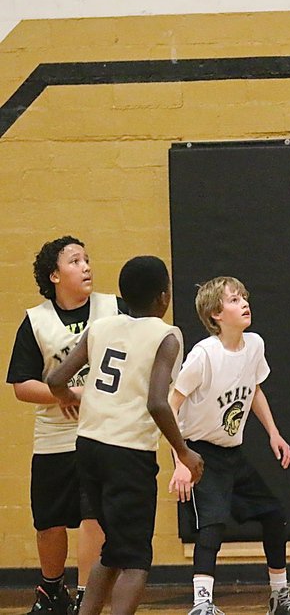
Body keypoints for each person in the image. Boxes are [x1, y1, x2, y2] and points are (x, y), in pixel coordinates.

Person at [46, 255, 204, 615]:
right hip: (128, 453)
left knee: (115, 549)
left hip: (88, 447)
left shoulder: (101, 327)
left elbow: (56, 380)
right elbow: (158, 404)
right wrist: (184, 452)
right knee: (135, 559)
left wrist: (69, 399)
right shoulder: (166, 336)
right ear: (164, 297)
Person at [167, 276, 290, 615]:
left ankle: (279, 597)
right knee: (211, 525)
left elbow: (254, 389)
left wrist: (273, 432)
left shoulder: (255, 345)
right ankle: (202, 605)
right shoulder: (204, 355)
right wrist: (181, 461)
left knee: (274, 515)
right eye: (234, 299)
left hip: (232, 453)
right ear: (216, 313)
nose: (244, 303)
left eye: (244, 296)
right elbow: (170, 406)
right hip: (200, 452)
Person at [6, 236, 120, 615]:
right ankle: (52, 590)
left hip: (102, 434)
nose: (86, 266)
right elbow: (22, 385)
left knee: (93, 515)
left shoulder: (114, 310)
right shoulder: (35, 320)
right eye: (75, 261)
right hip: (54, 437)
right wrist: (66, 393)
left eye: (87, 259)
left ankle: (88, 598)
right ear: (54, 275)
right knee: (50, 522)